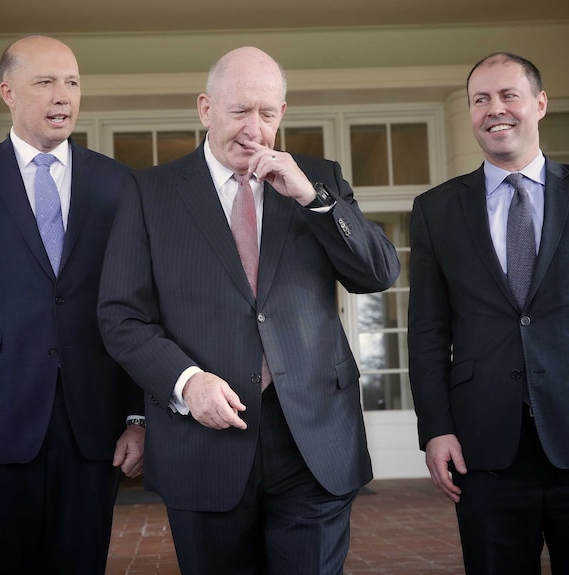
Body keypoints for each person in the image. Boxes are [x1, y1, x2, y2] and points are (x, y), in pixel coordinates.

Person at [98, 46, 400, 575]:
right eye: (239, 111)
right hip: (203, 441)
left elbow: (377, 274)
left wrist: (315, 201)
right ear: (205, 108)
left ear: (283, 113)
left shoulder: (318, 179)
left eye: (267, 112)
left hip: (314, 438)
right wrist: (186, 382)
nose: (253, 128)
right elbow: (121, 317)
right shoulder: (150, 193)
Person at [408, 52, 569, 574]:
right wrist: (436, 429)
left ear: (540, 104)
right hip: (484, 448)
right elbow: (429, 334)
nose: (494, 109)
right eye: (480, 99)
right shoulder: (435, 210)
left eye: (509, 95)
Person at [0, 35, 145, 575]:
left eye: (72, 82)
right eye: (45, 82)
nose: (62, 95)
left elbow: (136, 309)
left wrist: (137, 416)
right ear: (8, 93)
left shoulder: (118, 185)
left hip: (94, 427)